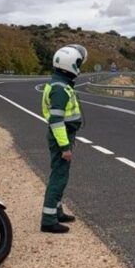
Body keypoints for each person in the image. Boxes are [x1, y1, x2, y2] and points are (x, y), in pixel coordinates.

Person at [40, 44, 87, 233]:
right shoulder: (60, 88)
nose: (79, 66)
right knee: (58, 177)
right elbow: (56, 120)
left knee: (61, 176)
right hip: (62, 136)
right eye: (78, 62)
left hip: (64, 135)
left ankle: (57, 211)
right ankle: (49, 219)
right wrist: (65, 146)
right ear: (70, 64)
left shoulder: (60, 83)